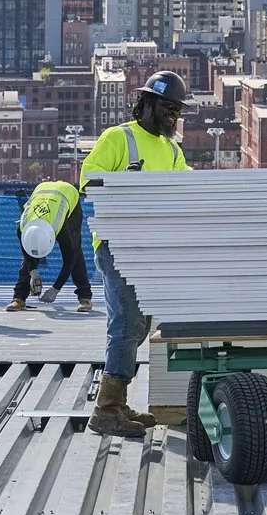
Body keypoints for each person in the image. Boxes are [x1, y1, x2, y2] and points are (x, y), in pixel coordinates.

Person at [79, 69, 190, 438]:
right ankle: (105, 411)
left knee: (141, 325)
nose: (173, 116)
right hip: (117, 245)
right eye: (168, 108)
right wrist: (124, 180)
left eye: (178, 110)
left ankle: (118, 402)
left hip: (151, 249)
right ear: (147, 103)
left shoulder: (173, 150)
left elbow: (187, 188)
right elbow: (87, 179)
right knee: (126, 324)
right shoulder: (119, 138)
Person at [7, 178, 91, 312]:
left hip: (68, 194)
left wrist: (56, 288)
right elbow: (27, 254)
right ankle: (19, 298)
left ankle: (85, 297)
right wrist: (33, 273)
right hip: (43, 190)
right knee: (29, 256)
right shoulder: (23, 228)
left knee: (75, 250)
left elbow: (70, 259)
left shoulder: (60, 228)